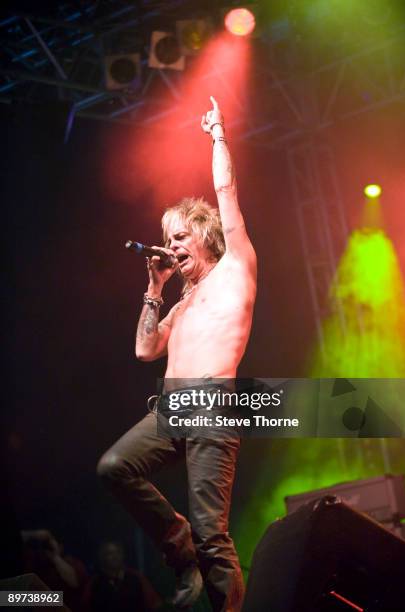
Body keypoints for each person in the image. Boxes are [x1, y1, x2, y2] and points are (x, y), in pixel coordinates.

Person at [97, 97, 257, 611]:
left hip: (214, 403)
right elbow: (145, 350)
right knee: (114, 466)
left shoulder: (235, 268)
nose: (172, 245)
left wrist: (217, 136)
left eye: (180, 237)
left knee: (214, 534)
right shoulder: (181, 302)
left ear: (206, 238)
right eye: (168, 239)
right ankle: (175, 541)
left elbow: (226, 191)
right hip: (171, 407)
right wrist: (154, 286)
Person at [82, 540, 161, 612]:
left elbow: (154, 603)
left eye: (118, 552)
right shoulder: (95, 583)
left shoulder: (136, 577)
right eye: (110, 553)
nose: (115, 556)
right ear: (102, 557)